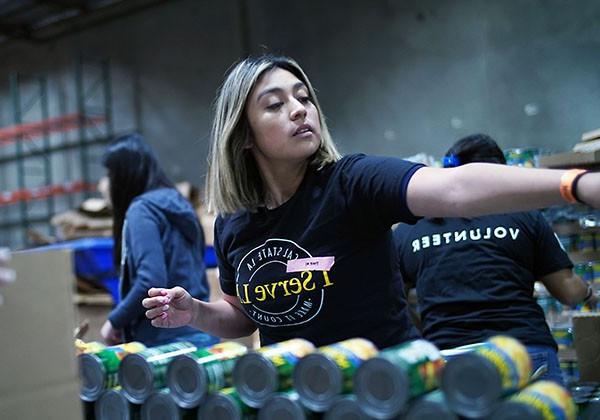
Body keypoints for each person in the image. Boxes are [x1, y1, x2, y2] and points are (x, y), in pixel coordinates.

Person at [142, 55, 600, 351]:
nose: (300, 109)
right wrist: (197, 313)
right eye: (275, 104)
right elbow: (242, 315)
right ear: (242, 135)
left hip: (384, 390)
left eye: (303, 98)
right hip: (298, 396)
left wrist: (574, 185)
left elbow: (456, 188)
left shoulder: (352, 183)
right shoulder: (233, 224)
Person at [394, 134, 597, 383]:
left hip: (450, 360)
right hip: (523, 353)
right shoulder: (524, 215)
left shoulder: (409, 229)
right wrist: (587, 293)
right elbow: (568, 291)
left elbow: (394, 300)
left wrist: (425, 330)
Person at [100, 133, 218, 348]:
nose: (103, 184)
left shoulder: (142, 211)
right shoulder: (178, 204)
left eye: (109, 174)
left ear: (123, 175)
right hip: (202, 335)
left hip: (164, 346)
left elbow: (150, 280)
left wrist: (114, 321)